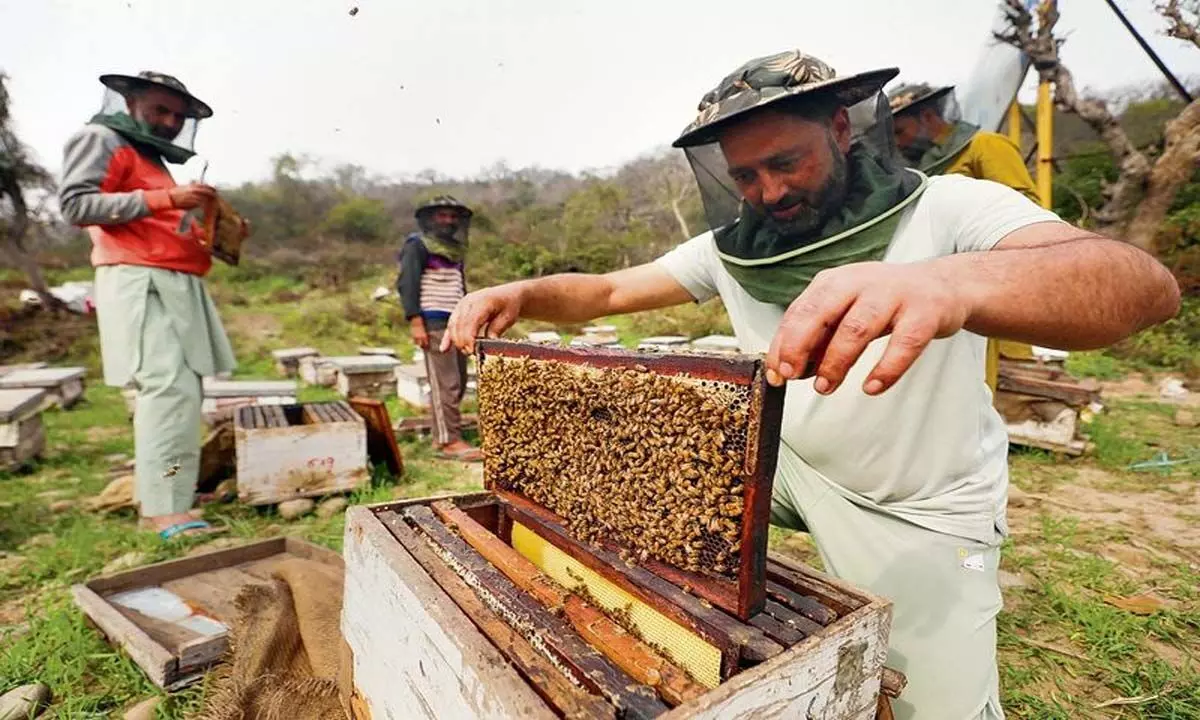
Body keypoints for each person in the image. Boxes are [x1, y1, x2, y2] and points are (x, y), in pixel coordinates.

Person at [440, 50, 1181, 719]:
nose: (769, 190)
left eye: (787, 162)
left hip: (925, 506)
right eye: (746, 176)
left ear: (840, 128)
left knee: (936, 708)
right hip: (787, 464)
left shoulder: (949, 210)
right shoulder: (738, 248)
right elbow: (606, 293)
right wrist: (525, 293)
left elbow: (1142, 287)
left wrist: (949, 281)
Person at [59, 71, 235, 539]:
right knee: (168, 387)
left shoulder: (149, 158)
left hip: (172, 279)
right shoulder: (100, 138)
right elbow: (77, 205)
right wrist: (168, 197)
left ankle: (169, 494)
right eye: (161, 110)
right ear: (131, 103)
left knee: (183, 388)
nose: (171, 121)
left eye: (178, 115)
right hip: (139, 278)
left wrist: (212, 232)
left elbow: (154, 224)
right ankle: (165, 511)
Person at [889, 82, 1041, 382]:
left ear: (929, 118)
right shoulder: (920, 165)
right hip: (929, 291)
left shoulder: (986, 146)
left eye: (900, 131)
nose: (899, 142)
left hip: (978, 288)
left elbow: (1027, 210)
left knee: (974, 381)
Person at [396, 195, 482, 461]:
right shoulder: (417, 246)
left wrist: (470, 317)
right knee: (445, 383)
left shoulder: (454, 250)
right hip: (432, 323)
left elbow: (460, 288)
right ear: (430, 218)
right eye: (442, 215)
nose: (448, 220)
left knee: (459, 381)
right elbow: (407, 283)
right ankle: (447, 441)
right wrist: (415, 320)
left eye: (452, 216)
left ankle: (448, 435)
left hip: (456, 322)